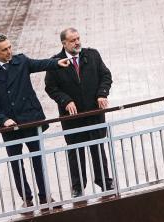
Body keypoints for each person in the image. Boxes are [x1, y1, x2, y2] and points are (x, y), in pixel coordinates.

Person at [0, 34, 70, 207]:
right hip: (10, 126)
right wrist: (3, 120)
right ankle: (27, 199)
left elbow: (39, 64)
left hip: (30, 119)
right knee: (16, 163)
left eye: (10, 47)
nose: (9, 52)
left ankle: (45, 196)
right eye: (4, 49)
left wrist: (57, 63)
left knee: (38, 158)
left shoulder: (20, 61)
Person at [44, 28, 114, 197]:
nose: (77, 43)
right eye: (73, 40)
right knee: (75, 151)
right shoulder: (55, 63)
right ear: (64, 43)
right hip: (72, 118)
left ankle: (104, 180)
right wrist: (65, 100)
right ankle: (78, 186)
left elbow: (106, 76)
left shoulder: (92, 55)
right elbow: (51, 88)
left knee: (98, 147)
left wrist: (102, 94)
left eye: (78, 38)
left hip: (93, 114)